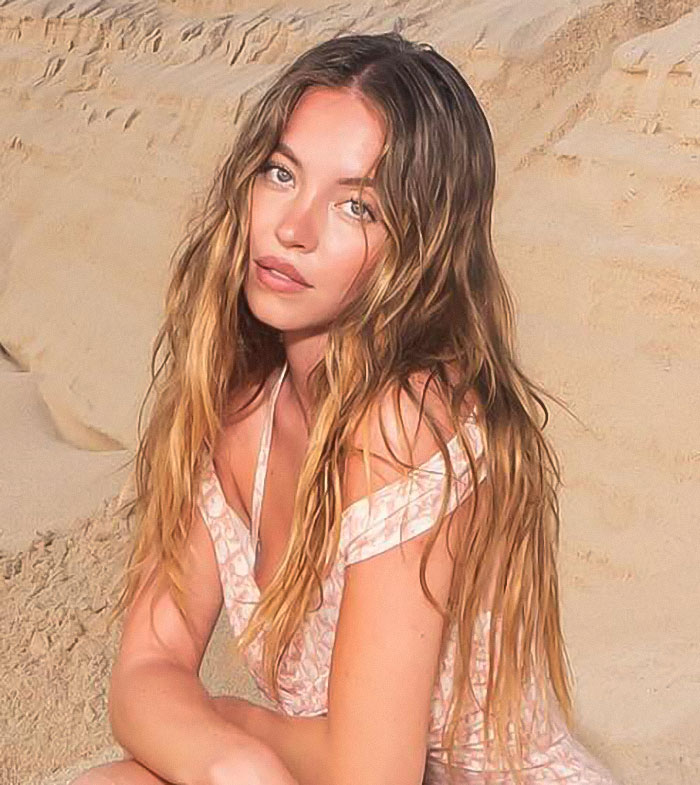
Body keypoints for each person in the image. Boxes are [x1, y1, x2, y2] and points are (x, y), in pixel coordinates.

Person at [72, 31, 621, 785]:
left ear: (418, 245)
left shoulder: (407, 422)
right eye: (281, 173)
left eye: (356, 206)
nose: (292, 229)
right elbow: (145, 668)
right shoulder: (235, 411)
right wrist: (232, 764)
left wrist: (225, 723)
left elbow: (369, 774)